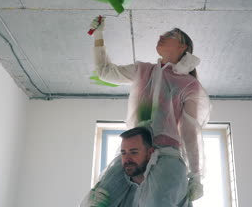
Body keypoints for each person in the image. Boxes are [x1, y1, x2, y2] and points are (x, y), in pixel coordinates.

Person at [83, 16, 211, 207]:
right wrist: (99, 35)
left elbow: (189, 131)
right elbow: (104, 71)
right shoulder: (142, 71)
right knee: (99, 199)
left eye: (170, 35)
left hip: (167, 155)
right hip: (135, 150)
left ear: (183, 47)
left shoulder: (189, 85)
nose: (161, 35)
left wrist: (195, 175)